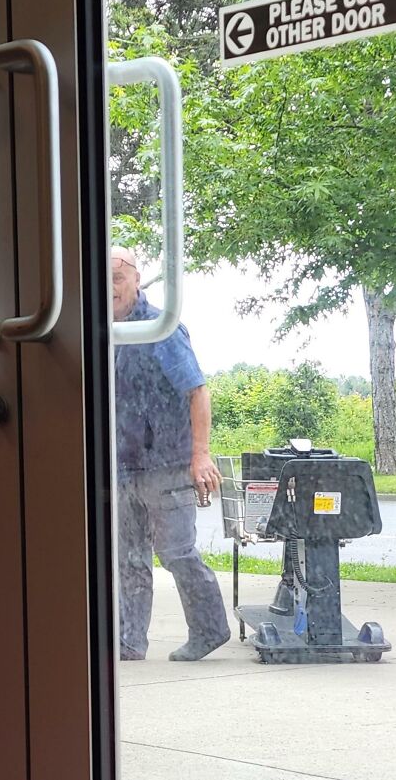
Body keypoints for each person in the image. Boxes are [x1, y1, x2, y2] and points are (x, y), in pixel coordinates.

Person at [112, 246, 230, 661]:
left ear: (136, 279)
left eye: (117, 276)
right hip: (122, 468)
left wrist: (201, 455)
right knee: (128, 558)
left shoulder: (161, 326)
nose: (110, 288)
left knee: (177, 552)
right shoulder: (100, 331)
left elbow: (197, 391)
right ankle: (128, 642)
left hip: (168, 463)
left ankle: (210, 629)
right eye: (102, 279)